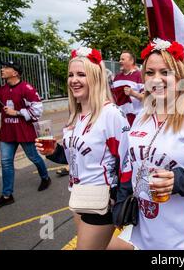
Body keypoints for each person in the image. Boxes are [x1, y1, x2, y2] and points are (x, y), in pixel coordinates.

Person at [108, 38, 184, 250]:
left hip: (181, 235)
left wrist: (178, 179)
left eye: (165, 72)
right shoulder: (142, 117)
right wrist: (121, 200)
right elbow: (130, 165)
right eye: (150, 73)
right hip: (144, 226)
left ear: (180, 76)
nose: (156, 79)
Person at [36, 47, 131, 250]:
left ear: (95, 78)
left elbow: (127, 162)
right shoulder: (74, 115)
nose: (74, 80)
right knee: (104, 246)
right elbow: (74, 157)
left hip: (103, 200)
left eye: (81, 74)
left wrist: (119, 200)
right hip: (79, 195)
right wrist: (54, 152)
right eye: (71, 75)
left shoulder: (111, 114)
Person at [0, 60, 51, 210]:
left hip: (24, 132)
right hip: (7, 133)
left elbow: (38, 111)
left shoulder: (27, 88)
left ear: (15, 72)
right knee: (6, 162)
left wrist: (17, 112)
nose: (2, 70)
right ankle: (7, 195)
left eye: (6, 68)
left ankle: (45, 177)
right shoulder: (2, 89)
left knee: (34, 157)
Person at [112, 50, 144, 126]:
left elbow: (147, 97)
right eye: (120, 59)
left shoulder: (139, 75)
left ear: (131, 61)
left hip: (136, 119)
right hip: (120, 119)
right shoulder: (117, 77)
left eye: (123, 59)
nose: (120, 61)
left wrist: (133, 93)